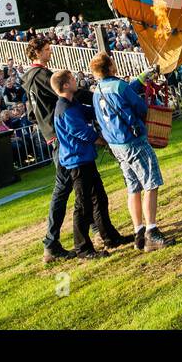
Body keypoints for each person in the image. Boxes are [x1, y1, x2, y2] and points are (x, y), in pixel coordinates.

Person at [89, 52, 170, 252]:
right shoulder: (119, 86)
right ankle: (152, 231)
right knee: (151, 182)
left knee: (133, 187)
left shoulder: (97, 90)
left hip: (116, 145)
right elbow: (141, 107)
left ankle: (139, 233)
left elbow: (122, 93)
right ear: (110, 67)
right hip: (133, 140)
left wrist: (143, 77)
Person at [50, 69, 129, 259]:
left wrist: (105, 107)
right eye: (72, 79)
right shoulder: (65, 109)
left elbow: (89, 112)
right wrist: (106, 140)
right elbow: (83, 133)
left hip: (85, 159)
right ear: (66, 85)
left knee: (99, 198)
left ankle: (110, 237)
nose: (76, 81)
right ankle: (83, 248)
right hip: (77, 162)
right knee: (83, 205)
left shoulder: (72, 103)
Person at [22, 37, 72, 263]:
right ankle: (51, 243)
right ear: (37, 53)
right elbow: (64, 94)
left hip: (50, 134)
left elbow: (32, 114)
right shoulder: (42, 76)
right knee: (63, 186)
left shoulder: (28, 79)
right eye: (46, 50)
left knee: (82, 181)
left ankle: (98, 228)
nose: (50, 52)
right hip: (59, 133)